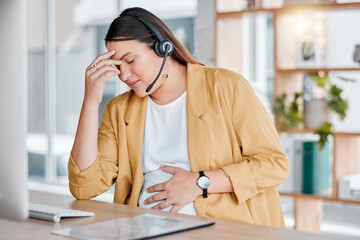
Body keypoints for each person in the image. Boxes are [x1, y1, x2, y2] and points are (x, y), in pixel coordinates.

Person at [68, 7, 289, 228]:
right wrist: (90, 101)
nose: (124, 76)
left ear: (162, 47)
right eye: (118, 66)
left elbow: (274, 164)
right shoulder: (119, 110)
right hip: (142, 230)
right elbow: (84, 186)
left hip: (219, 231)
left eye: (131, 60)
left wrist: (200, 182)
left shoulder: (226, 86)